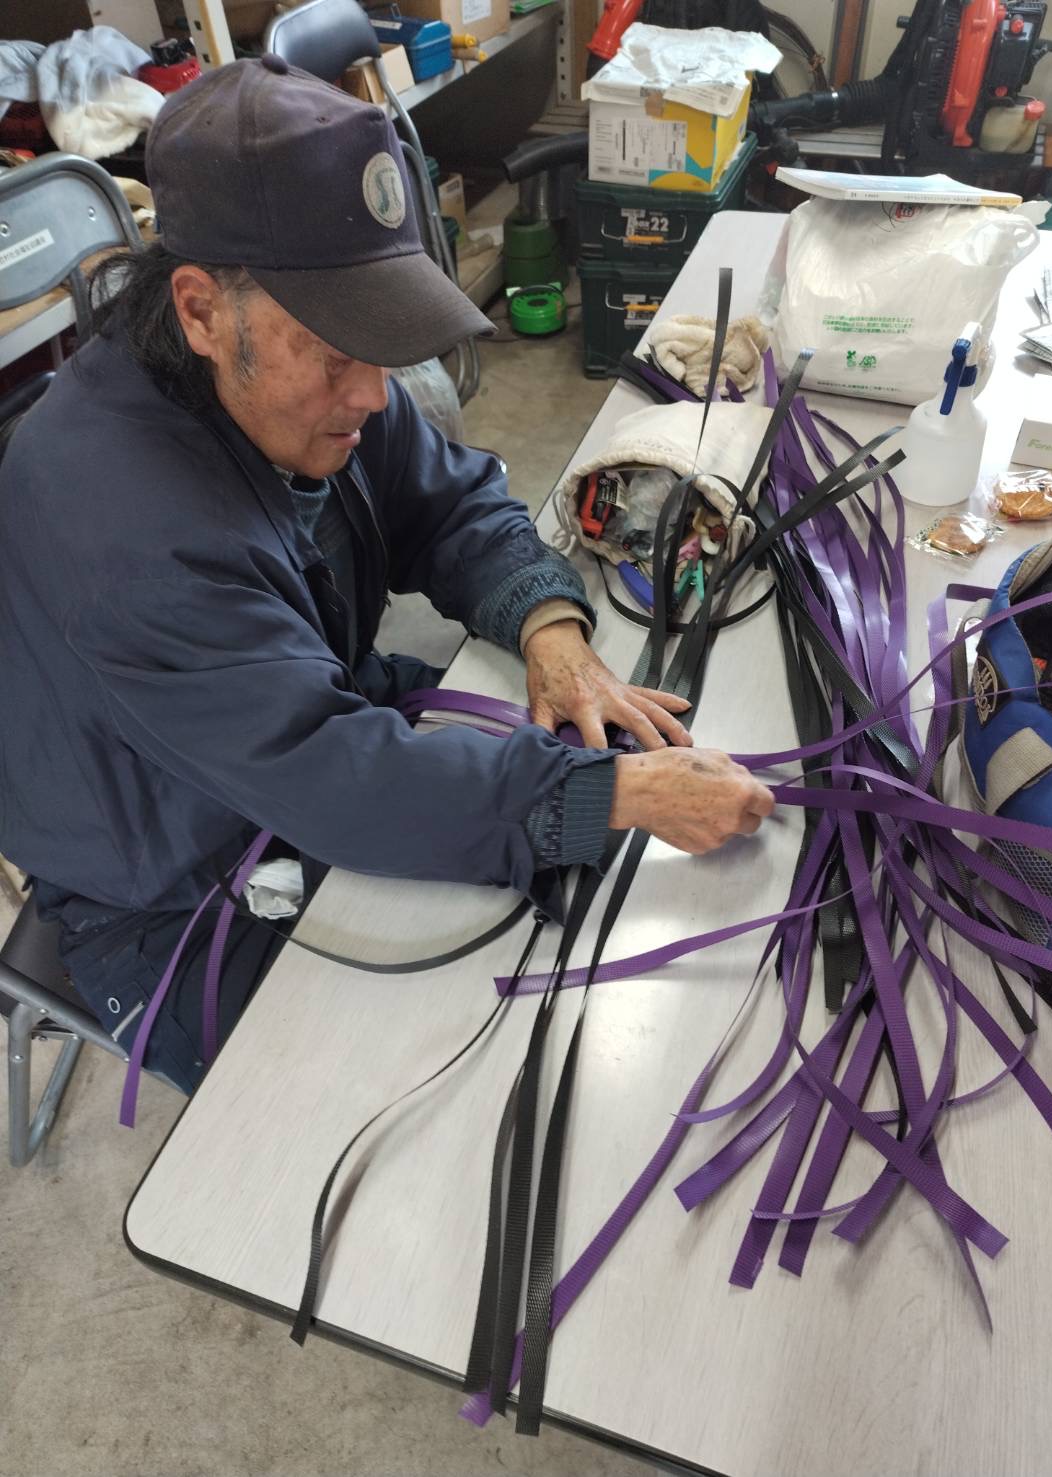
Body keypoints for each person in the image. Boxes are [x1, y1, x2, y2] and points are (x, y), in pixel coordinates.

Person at [0, 57, 773, 1093]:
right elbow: (330, 774)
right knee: (445, 1085)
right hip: (171, 884)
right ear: (199, 310)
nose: (373, 393)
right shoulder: (126, 534)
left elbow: (446, 501)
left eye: (381, 341)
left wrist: (548, 626)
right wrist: (614, 796)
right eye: (335, 351)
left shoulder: (301, 376)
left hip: (310, 719)